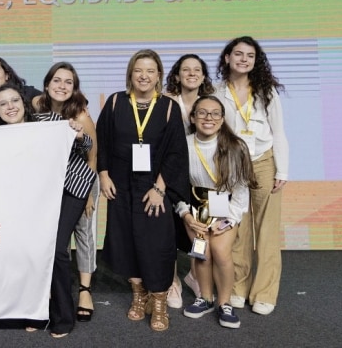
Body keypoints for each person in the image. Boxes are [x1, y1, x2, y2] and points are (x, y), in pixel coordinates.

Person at [95, 49, 189, 332]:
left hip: (153, 186)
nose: (144, 76)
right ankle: (140, 295)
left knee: (157, 244)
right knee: (125, 240)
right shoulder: (116, 102)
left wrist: (160, 188)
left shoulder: (169, 107)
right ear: (130, 74)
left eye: (150, 71)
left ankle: (159, 301)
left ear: (159, 75)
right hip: (121, 185)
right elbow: (102, 140)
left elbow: (175, 152)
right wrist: (104, 175)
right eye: (138, 70)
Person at [0, 84, 94, 338]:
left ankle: (64, 317)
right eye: (3, 104)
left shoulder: (48, 121)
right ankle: (38, 312)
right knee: (31, 252)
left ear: (23, 103)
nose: (10, 107)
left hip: (70, 189)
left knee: (57, 249)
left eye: (14, 100)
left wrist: (79, 135)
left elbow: (86, 146)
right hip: (36, 198)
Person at [215, 36, 289, 316]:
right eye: (238, 54)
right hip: (231, 166)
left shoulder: (266, 92)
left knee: (267, 230)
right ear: (227, 58)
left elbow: (278, 132)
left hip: (263, 163)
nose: (244, 59)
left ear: (256, 61)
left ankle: (265, 293)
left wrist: (282, 170)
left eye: (250, 56)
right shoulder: (216, 91)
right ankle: (237, 288)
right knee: (238, 229)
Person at [177, 95, 258, 329]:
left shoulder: (236, 146)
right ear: (193, 118)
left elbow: (241, 189)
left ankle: (225, 303)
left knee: (221, 252)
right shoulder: (182, 145)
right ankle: (205, 298)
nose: (208, 118)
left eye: (215, 114)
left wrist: (229, 219)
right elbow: (176, 186)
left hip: (225, 207)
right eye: (202, 113)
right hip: (195, 208)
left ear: (222, 119)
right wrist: (185, 214)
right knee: (201, 251)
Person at [32, 62, 99, 323]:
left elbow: (92, 156)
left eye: (68, 82)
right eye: (57, 80)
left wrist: (89, 194)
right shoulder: (36, 107)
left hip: (81, 180)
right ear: (47, 84)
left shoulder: (80, 116)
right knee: (51, 237)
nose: (62, 86)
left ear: (74, 88)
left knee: (83, 232)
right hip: (52, 183)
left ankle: (84, 290)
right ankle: (51, 288)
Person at [164, 53, 216, 305]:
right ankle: (172, 280)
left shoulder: (211, 103)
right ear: (177, 76)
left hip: (201, 177)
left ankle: (195, 274)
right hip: (172, 173)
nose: (192, 73)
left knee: (200, 231)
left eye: (197, 70)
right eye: (186, 69)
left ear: (204, 76)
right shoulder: (165, 101)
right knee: (170, 230)